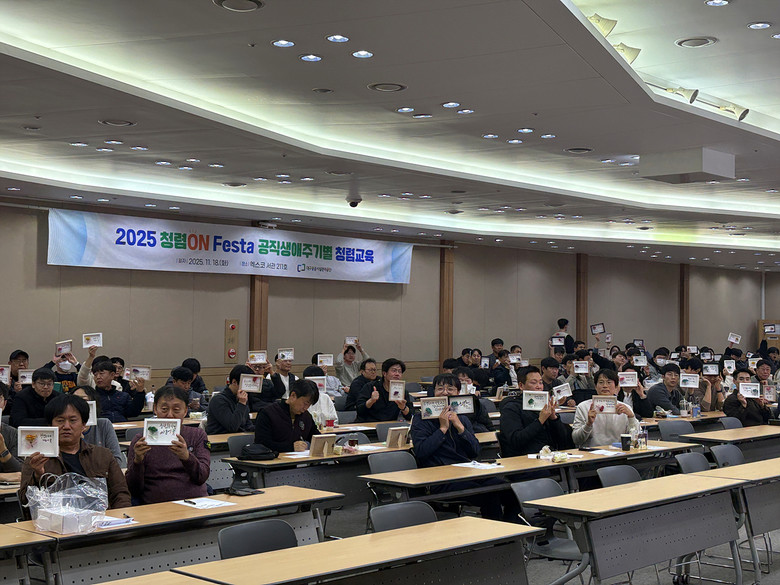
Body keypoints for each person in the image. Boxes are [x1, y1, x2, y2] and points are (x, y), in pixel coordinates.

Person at [410, 373, 503, 520]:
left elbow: (475, 451)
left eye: (450, 389)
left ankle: (512, 529)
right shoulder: (421, 419)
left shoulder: (462, 419)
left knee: (506, 488)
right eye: (440, 388)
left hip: (466, 473)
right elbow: (421, 452)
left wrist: (460, 428)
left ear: (458, 393)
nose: (445, 392)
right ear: (433, 392)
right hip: (440, 480)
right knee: (489, 494)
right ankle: (497, 532)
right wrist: (442, 429)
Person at [19, 394, 131, 510]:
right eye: (60, 421)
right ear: (50, 425)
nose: (66, 426)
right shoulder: (37, 458)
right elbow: (25, 502)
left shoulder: (102, 455)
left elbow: (120, 493)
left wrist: (118, 517)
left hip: (101, 518)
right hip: (55, 519)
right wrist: (37, 475)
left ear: (84, 425)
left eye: (73, 420)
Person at [126, 385, 210, 504]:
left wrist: (187, 457)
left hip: (195, 502)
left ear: (185, 411)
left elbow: (202, 476)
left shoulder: (197, 435)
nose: (170, 415)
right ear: (155, 409)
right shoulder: (141, 440)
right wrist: (138, 461)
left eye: (176, 410)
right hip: (157, 505)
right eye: (164, 409)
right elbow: (133, 488)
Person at [499, 366, 572, 457]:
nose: (539, 387)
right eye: (534, 383)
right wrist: (540, 420)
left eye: (541, 383)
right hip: (525, 458)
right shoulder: (511, 408)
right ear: (521, 385)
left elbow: (563, 440)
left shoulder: (545, 406)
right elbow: (516, 440)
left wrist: (553, 418)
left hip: (549, 455)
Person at [572, 369, 641, 447]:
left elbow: (637, 439)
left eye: (609, 382)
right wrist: (588, 424)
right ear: (595, 387)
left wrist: (631, 417)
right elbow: (576, 440)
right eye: (601, 382)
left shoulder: (624, 408)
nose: (605, 386)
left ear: (616, 387)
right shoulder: (583, 407)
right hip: (591, 452)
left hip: (618, 452)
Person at [254, 379, 319, 453]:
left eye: (309, 405)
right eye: (305, 403)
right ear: (293, 396)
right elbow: (262, 444)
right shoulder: (268, 413)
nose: (306, 408)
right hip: (275, 459)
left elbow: (316, 437)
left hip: (299, 459)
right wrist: (290, 447)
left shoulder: (306, 416)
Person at [72, 386, 125, 467]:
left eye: (84, 400)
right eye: (74, 400)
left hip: (102, 474)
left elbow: (117, 461)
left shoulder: (104, 424)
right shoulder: (66, 428)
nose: (79, 404)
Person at [355, 358, 414, 423]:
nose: (397, 374)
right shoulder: (370, 387)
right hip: (368, 425)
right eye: (394, 371)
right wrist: (371, 401)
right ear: (384, 373)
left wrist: (403, 408)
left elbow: (411, 416)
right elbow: (359, 410)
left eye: (399, 371)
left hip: (389, 426)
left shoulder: (402, 391)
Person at [206, 364, 255, 434]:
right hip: (220, 438)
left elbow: (248, 424)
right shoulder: (218, 400)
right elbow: (232, 427)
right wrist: (241, 403)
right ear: (234, 382)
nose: (248, 389)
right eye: (246, 384)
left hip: (239, 437)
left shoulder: (242, 398)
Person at [452, 367, 494, 432]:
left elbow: (487, 423)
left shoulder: (476, 402)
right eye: (460, 380)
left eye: (467, 380)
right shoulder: (449, 402)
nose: (464, 383)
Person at [0, 383, 22, 482]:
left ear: (4, 404)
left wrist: (3, 450)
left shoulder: (13, 433)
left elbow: (19, 473)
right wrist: (3, 477)